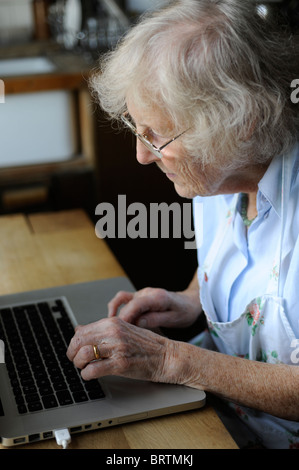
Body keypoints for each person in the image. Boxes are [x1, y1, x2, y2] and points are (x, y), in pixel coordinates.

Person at [66, 0, 299, 448]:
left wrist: (171, 359)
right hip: (222, 419)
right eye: (137, 127)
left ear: (242, 123)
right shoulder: (218, 173)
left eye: (158, 136)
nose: (142, 155)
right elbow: (247, 255)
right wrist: (191, 299)